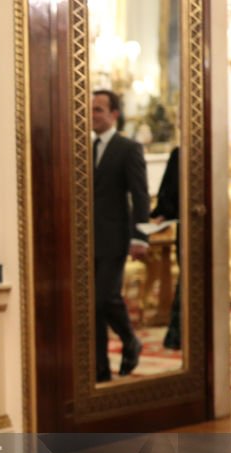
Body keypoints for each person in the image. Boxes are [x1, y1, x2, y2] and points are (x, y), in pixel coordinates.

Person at [92, 89, 150, 382]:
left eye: (99, 110)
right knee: (90, 307)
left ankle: (131, 340)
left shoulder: (128, 148)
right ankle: (100, 370)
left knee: (105, 298)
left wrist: (141, 237)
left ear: (114, 114)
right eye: (90, 110)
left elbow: (140, 196)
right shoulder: (82, 148)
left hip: (115, 239)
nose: (93, 115)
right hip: (85, 242)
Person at [150, 147, 181, 350]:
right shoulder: (179, 154)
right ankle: (178, 334)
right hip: (187, 230)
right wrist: (162, 213)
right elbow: (169, 191)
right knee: (187, 282)